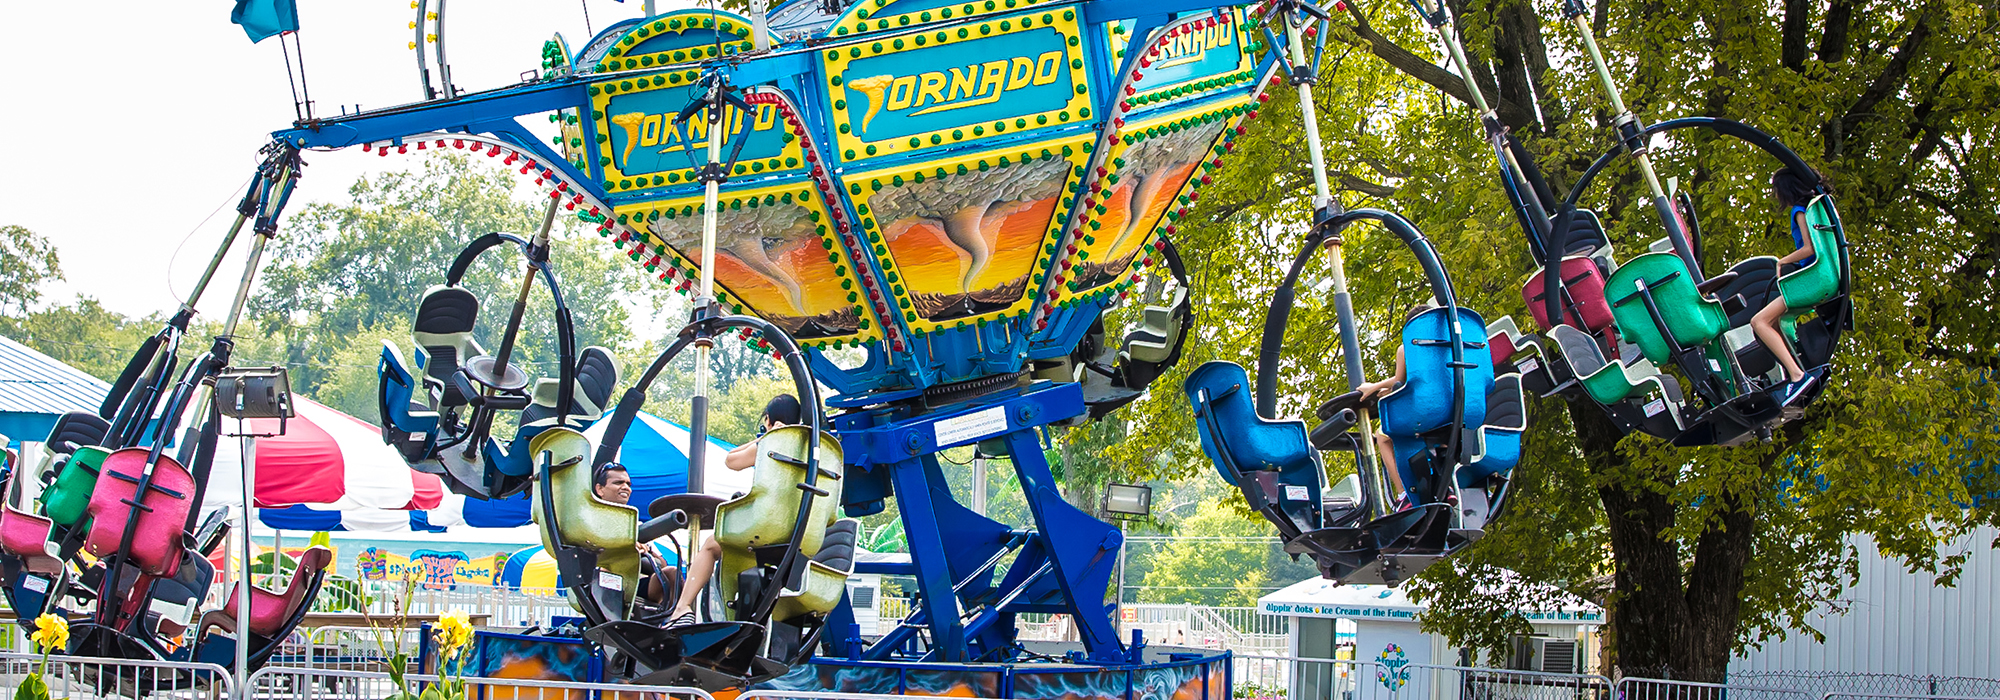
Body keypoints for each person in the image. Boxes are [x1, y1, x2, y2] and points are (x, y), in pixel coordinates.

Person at [665, 394, 803, 628]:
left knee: (711, 545)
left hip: (768, 529)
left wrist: (763, 437)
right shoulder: (808, 444)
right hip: (797, 531)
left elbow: (731, 461)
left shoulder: (772, 442)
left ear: (768, 420)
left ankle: (682, 608)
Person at [1750, 168, 1827, 405]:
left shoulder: (1799, 211)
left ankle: (1796, 375)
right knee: (1774, 322)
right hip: (1821, 277)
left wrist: (1782, 261)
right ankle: (1797, 368)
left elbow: (1809, 248)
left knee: (1759, 322)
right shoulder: (1821, 208)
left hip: (1810, 280)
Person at [1356, 303, 1434, 509]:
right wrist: (1389, 390)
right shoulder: (1447, 346)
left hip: (1424, 413)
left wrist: (1373, 387)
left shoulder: (1409, 347)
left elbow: (1401, 378)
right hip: (1451, 412)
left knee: (1383, 436)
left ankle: (1404, 494)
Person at [592, 463, 675, 606]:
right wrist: (626, 548)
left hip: (635, 584)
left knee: (672, 573)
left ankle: (676, 619)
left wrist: (647, 551)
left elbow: (662, 565)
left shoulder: (638, 526)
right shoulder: (590, 521)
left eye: (628, 484)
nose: (625, 487)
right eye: (618, 483)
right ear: (600, 489)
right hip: (603, 583)